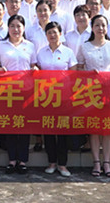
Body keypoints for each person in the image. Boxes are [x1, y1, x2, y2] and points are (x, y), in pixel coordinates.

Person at [77, 14, 110, 178]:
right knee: (94, 127)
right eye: (97, 25)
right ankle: (96, 162)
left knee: (108, 128)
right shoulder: (84, 47)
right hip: (92, 91)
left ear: (107, 28)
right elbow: (78, 69)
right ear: (92, 27)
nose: (100, 28)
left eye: (103, 25)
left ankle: (107, 162)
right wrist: (88, 73)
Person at [0, 14, 36, 174]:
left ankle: (22, 160)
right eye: (12, 26)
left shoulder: (30, 46)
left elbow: (33, 64)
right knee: (10, 124)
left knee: (24, 125)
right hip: (7, 91)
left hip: (26, 91)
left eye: (19, 26)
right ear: (8, 28)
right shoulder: (0, 45)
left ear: (23, 28)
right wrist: (0, 69)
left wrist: (35, 69)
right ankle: (11, 160)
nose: (15, 29)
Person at [35, 21, 77, 177]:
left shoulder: (68, 52)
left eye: (55, 32)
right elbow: (38, 73)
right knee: (49, 131)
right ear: (46, 36)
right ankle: (51, 162)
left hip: (64, 98)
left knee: (62, 131)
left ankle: (62, 164)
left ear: (60, 34)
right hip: (46, 97)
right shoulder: (41, 53)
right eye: (49, 33)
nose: (52, 35)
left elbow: (73, 75)